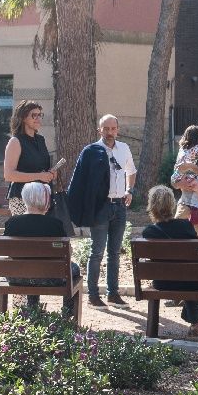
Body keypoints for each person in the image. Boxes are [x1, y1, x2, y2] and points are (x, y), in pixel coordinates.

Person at [65, 114, 135, 308]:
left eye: (113, 129)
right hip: (101, 207)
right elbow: (80, 180)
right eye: (106, 129)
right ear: (100, 130)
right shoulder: (91, 151)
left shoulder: (125, 149)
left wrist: (130, 190)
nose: (110, 132)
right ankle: (93, 295)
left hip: (120, 205)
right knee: (97, 252)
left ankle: (113, 294)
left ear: (118, 130)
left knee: (114, 252)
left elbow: (132, 171)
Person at [139, 184, 198, 334]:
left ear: (151, 207)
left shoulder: (149, 232)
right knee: (189, 276)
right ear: (172, 205)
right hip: (193, 282)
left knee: (183, 276)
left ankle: (155, 329)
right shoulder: (186, 226)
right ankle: (195, 322)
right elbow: (196, 256)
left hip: (163, 282)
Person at [2, 180, 79, 314]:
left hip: (17, 277)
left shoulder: (12, 223)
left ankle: (32, 311)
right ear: (46, 201)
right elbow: (67, 253)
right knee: (72, 269)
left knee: (31, 265)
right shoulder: (55, 224)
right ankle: (67, 314)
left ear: (24, 198)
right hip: (51, 277)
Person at [2, 100, 60, 216]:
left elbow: (41, 168)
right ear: (23, 118)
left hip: (43, 198)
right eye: (34, 115)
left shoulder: (41, 140)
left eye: (40, 115)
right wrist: (40, 176)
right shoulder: (15, 141)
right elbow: (9, 175)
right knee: (25, 234)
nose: (38, 118)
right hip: (22, 198)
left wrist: (51, 174)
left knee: (44, 234)